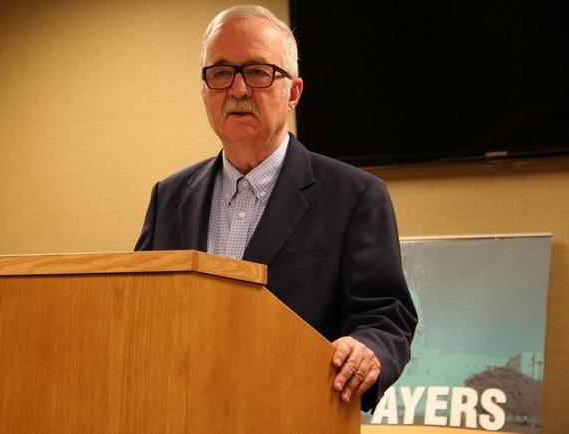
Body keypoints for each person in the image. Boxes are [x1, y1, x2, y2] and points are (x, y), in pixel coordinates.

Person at [134, 5, 417, 412]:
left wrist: (367, 348)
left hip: (296, 411)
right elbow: (142, 310)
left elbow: (385, 315)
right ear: (204, 89)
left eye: (257, 72)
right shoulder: (170, 197)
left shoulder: (356, 195)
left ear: (294, 93)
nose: (237, 90)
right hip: (180, 412)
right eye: (220, 72)